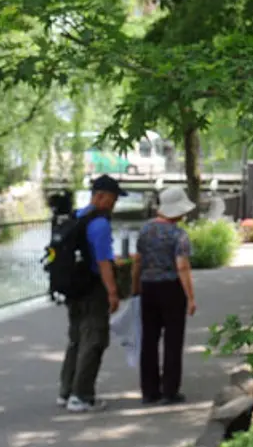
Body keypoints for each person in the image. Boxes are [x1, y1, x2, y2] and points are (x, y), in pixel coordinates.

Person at [58, 175, 125, 413]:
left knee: (76, 339)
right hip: (92, 289)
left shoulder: (76, 217)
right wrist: (113, 292)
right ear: (100, 196)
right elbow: (104, 262)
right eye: (112, 199)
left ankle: (66, 392)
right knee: (94, 340)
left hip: (72, 288)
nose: (113, 204)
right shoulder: (100, 224)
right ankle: (82, 396)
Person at [132, 186, 197, 405]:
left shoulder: (144, 230)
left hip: (148, 287)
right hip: (171, 288)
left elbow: (137, 261)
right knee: (173, 340)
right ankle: (169, 390)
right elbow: (183, 267)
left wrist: (135, 288)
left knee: (149, 340)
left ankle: (149, 391)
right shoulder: (179, 235)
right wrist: (190, 297)